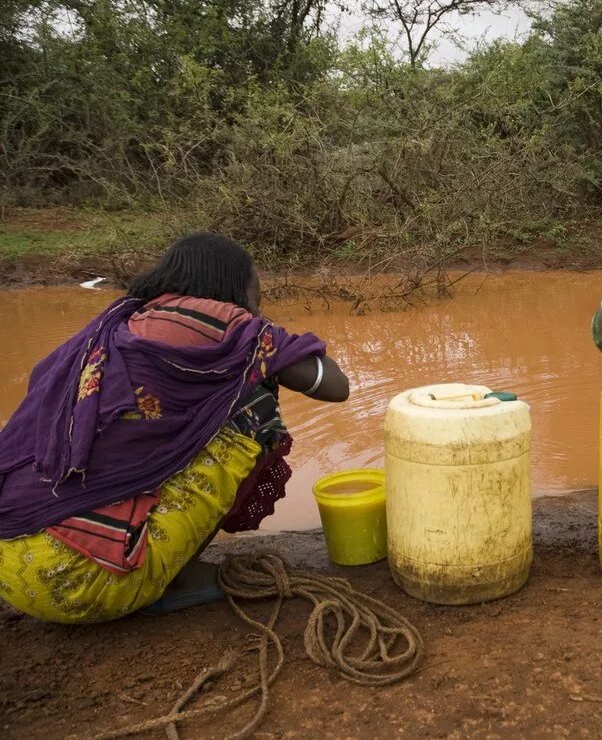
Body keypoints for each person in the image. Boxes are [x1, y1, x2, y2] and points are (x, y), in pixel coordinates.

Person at [0, 234, 349, 623]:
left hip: (10, 565)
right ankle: (173, 579)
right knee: (253, 405)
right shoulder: (235, 329)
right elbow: (336, 387)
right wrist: (261, 329)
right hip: (84, 583)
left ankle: (133, 540)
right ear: (236, 287)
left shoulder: (118, 323)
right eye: (255, 290)